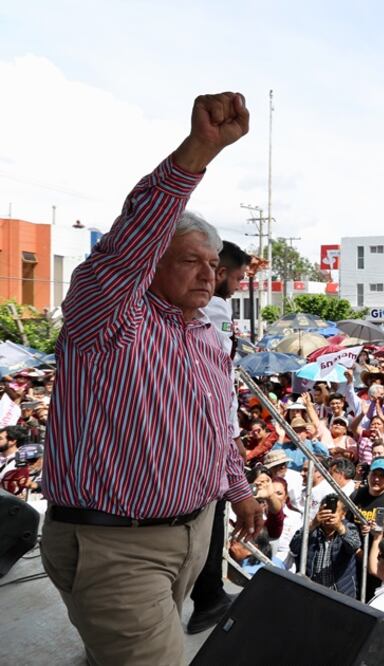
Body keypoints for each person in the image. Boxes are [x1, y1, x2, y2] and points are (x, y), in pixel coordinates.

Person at [39, 92, 262, 665]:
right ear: (152, 262)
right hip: (117, 547)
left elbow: (216, 430)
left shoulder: (206, 341)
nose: (207, 274)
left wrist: (237, 490)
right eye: (190, 259)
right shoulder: (110, 318)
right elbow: (124, 247)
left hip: (190, 538)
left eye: (214, 265)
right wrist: (199, 151)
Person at [186, 239, 251, 634]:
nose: (239, 285)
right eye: (239, 277)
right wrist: (231, 434)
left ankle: (205, 594)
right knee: (213, 510)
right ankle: (208, 597)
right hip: (212, 433)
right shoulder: (213, 307)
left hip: (215, 430)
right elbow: (218, 380)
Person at [288, 494, 363, 596]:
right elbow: (294, 547)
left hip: (340, 593)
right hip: (312, 591)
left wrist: (340, 528)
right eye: (325, 510)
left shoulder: (349, 528)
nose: (329, 515)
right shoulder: (312, 529)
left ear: (343, 514)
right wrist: (312, 525)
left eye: (333, 511)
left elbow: (354, 546)